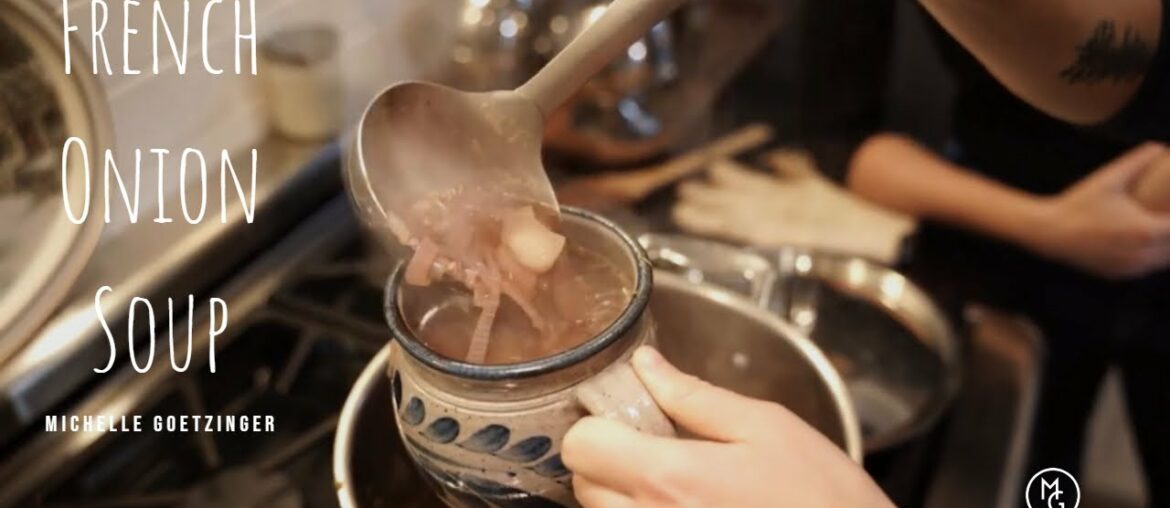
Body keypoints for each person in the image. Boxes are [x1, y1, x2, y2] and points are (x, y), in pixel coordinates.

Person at [564, 0, 1170, 506]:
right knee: (1047, 460)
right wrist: (1048, 226)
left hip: (1149, 243)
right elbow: (838, 134)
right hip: (1001, 245)